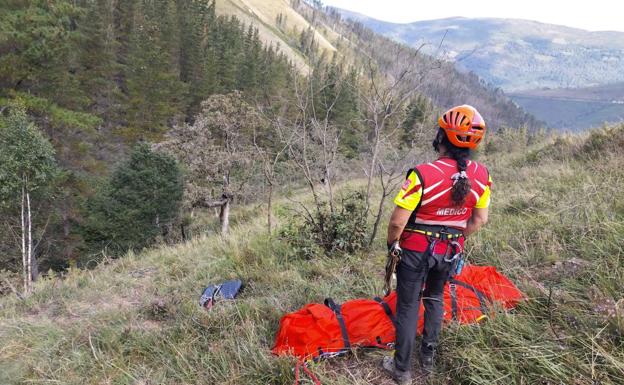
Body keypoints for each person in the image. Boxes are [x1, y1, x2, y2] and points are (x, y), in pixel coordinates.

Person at [382, 105, 492, 384]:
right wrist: (455, 234)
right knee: (435, 297)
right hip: (450, 250)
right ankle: (428, 359)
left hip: (416, 250)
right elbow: (479, 219)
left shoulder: (421, 175)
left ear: (441, 138)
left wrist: (392, 244)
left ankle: (402, 369)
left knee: (408, 305)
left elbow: (397, 222)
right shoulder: (482, 176)